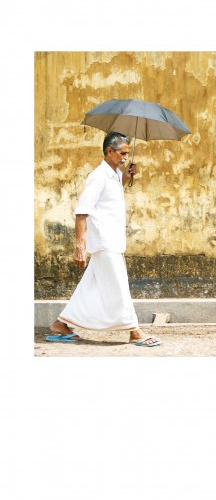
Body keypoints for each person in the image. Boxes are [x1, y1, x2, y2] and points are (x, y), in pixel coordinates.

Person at [46, 132, 161, 348]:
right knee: (118, 285)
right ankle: (134, 332)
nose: (126, 157)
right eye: (122, 153)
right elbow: (82, 212)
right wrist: (80, 247)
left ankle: (60, 324)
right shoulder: (98, 176)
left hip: (113, 240)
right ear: (109, 151)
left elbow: (112, 196)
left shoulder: (114, 174)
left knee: (89, 286)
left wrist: (126, 177)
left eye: (127, 153)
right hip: (105, 241)